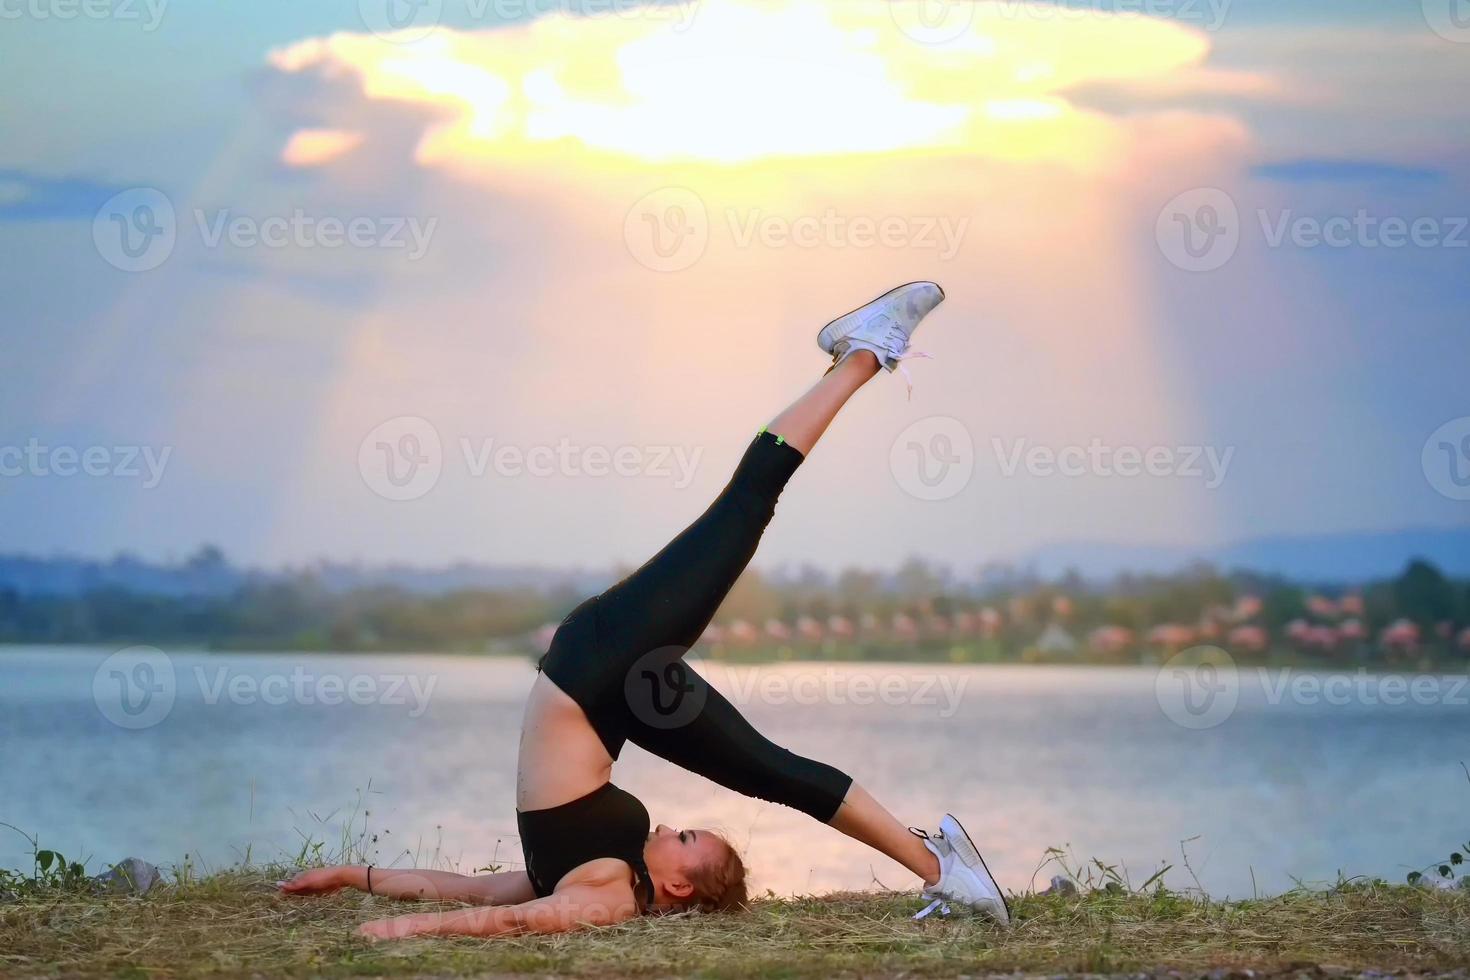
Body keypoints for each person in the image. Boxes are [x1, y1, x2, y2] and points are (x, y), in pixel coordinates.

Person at [281, 282, 1009, 940]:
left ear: (676, 882)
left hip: (599, 667)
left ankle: (865, 353)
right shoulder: (611, 876)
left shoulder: (604, 896)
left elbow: (496, 907)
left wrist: (385, 913)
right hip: (611, 691)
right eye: (692, 833)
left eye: (688, 837)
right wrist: (363, 886)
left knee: (745, 510)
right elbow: (491, 894)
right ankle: (939, 867)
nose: (672, 824)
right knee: (776, 769)